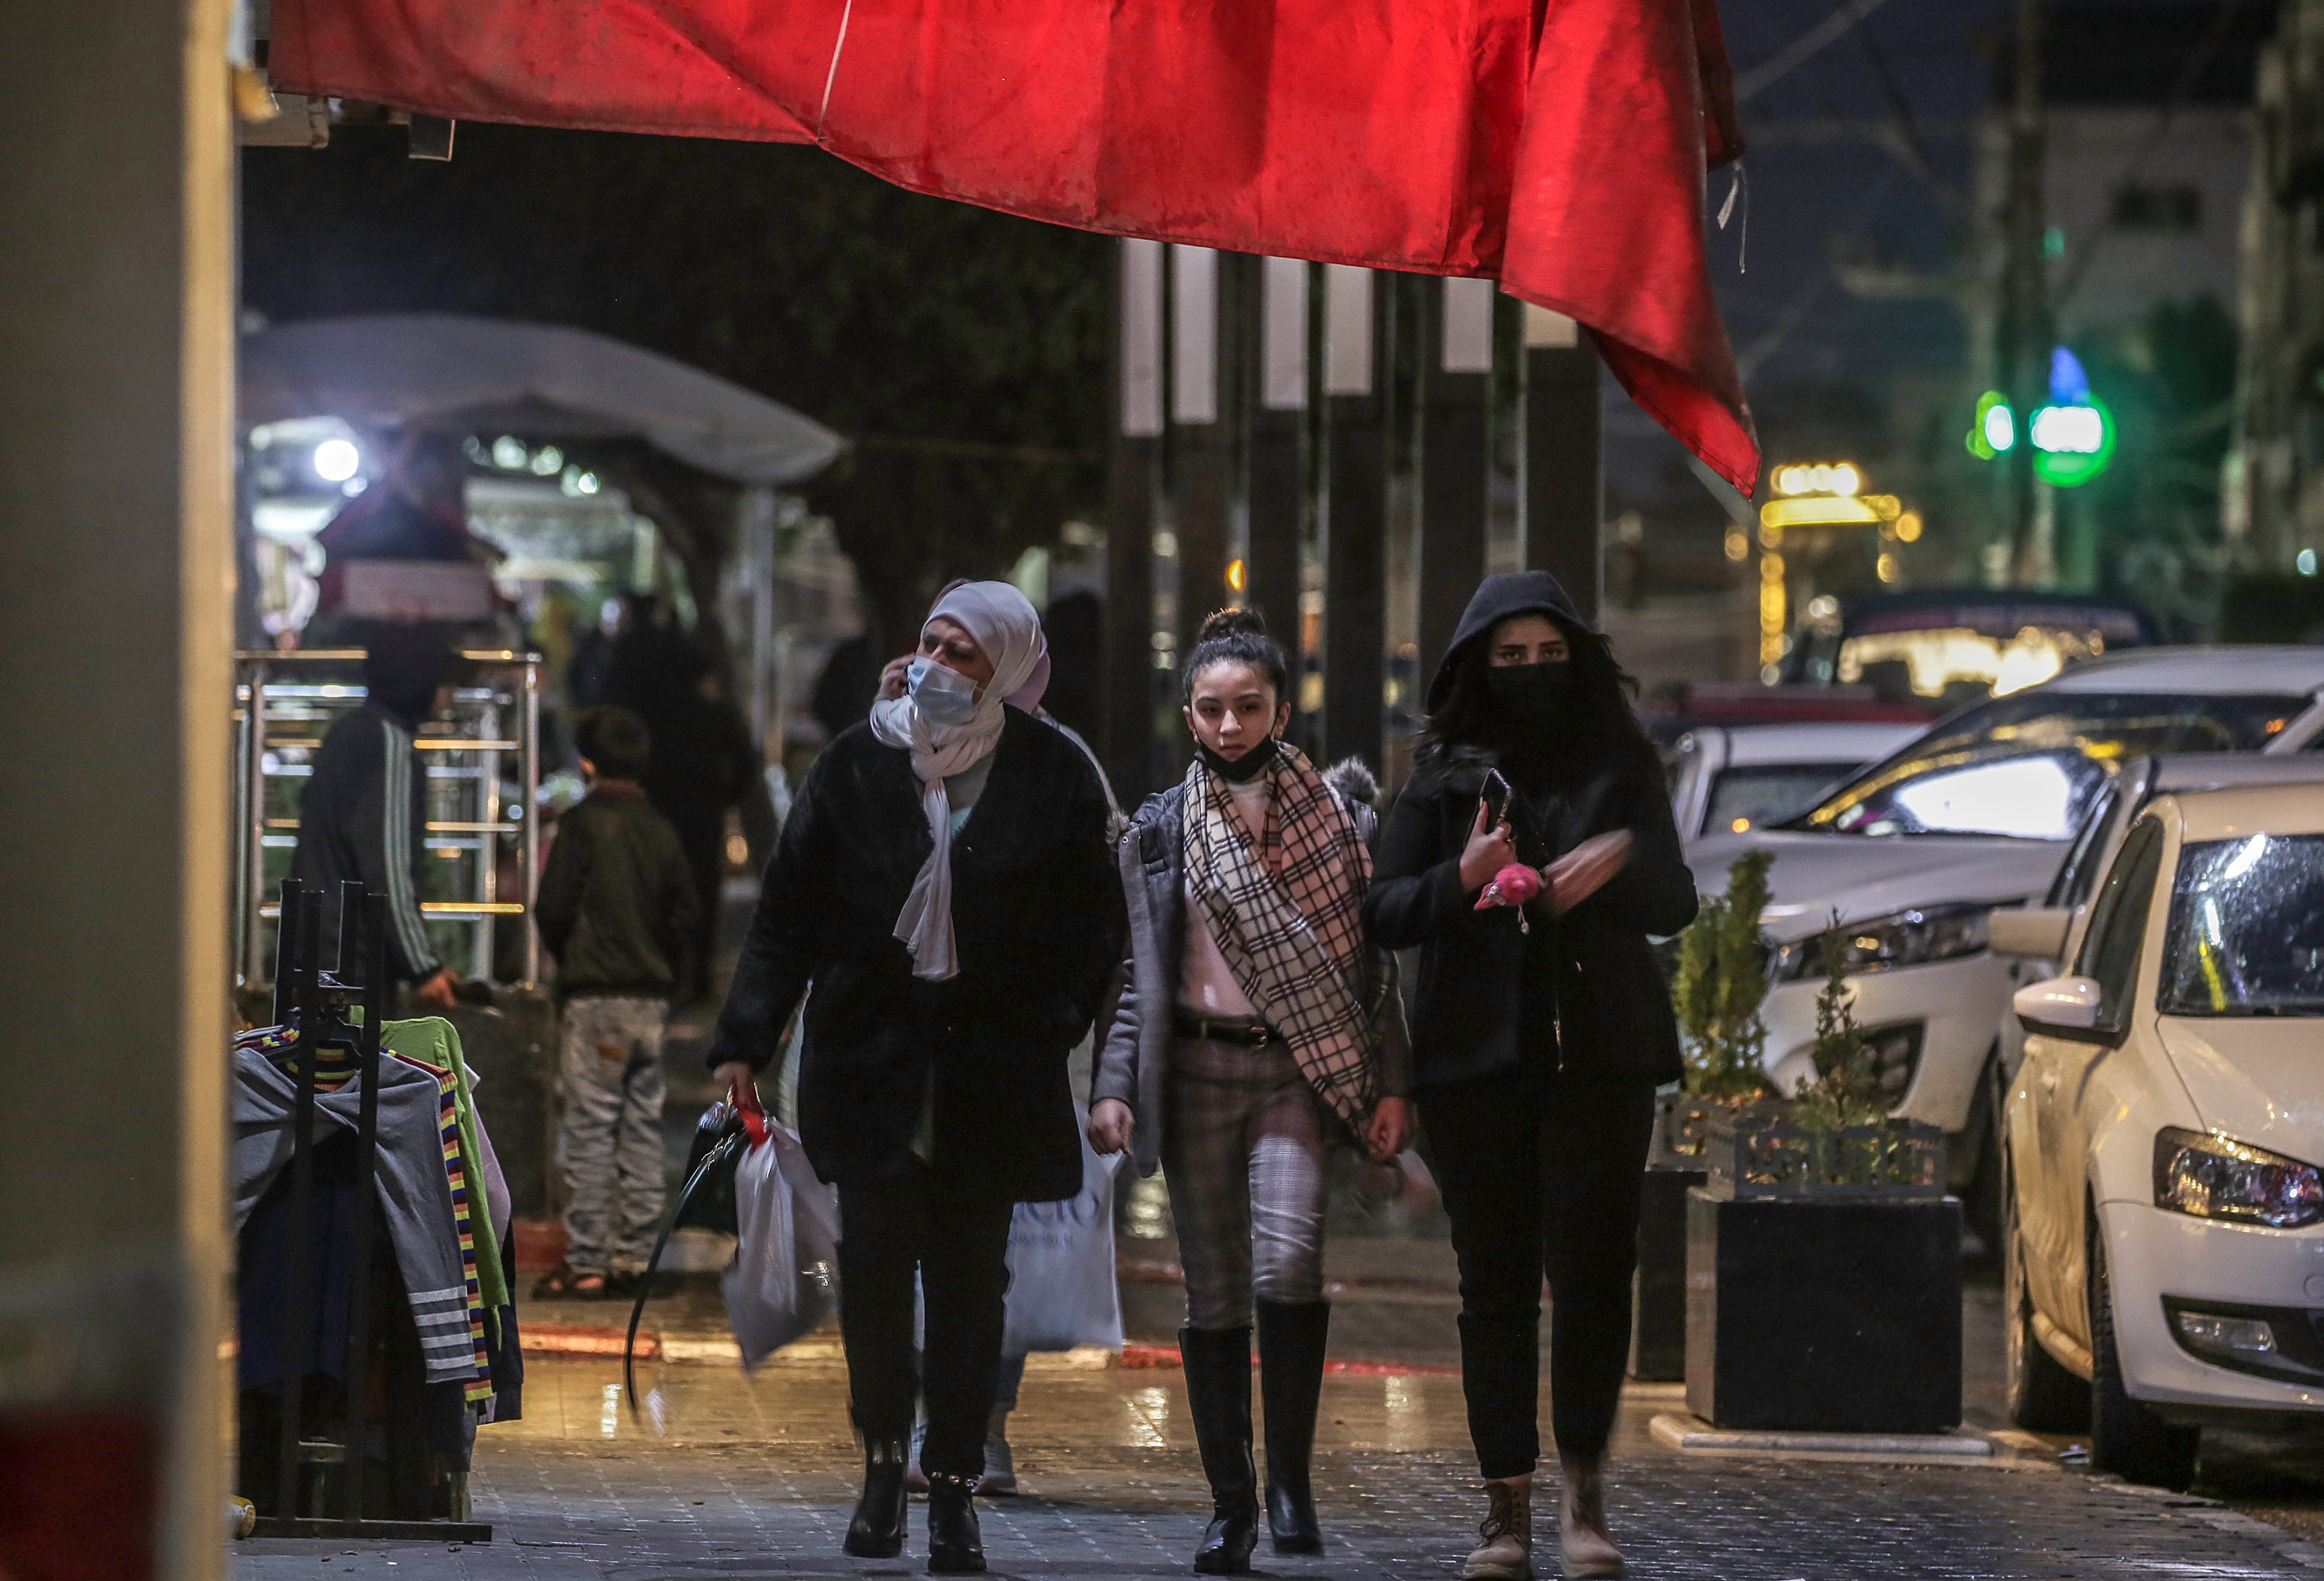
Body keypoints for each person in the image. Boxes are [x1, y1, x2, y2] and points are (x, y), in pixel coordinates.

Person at [706, 581, 1121, 1574]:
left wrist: (1052, 1020)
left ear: (1010, 666)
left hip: (990, 1074)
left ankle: (954, 1486)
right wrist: (744, 1039)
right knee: (879, 1278)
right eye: (929, 640)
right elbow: (788, 912)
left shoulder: (1053, 771)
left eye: (964, 651)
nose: (938, 661)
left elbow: (1092, 924)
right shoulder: (856, 763)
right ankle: (883, 1466)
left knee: (975, 1287)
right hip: (871, 1067)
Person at [1364, 572, 1697, 1581]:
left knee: (1595, 1276)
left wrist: (1611, 868)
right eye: (1507, 658)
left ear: (1577, 658)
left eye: (1545, 653)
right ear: (1474, 668)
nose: (1528, 672)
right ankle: (1502, 1510)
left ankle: (1583, 1498)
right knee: (1493, 1283)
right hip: (1475, 1063)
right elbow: (1381, 911)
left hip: (1601, 1059)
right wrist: (1464, 879)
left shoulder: (1620, 763)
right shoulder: (1436, 778)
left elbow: (1674, 899)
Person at [1090, 608, 1413, 1575]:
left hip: (1295, 1068)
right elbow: (1135, 976)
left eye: (1248, 707)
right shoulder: (1160, 828)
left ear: (1279, 707)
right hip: (1193, 1066)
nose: (1229, 726)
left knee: (1289, 1261)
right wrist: (1113, 1088)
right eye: (1211, 709)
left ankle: (1290, 1485)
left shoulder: (1340, 819)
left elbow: (1375, 969)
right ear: (1187, 716)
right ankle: (1230, 1501)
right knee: (1214, 1282)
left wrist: (1389, 1084)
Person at [530, 705, 700, 1301]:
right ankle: (633, 1257)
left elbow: (550, 906)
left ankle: (588, 1261)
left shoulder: (581, 826)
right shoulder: (660, 828)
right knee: (641, 1129)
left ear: (587, 762)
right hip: (648, 1003)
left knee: (593, 1130)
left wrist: (572, 956)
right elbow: (686, 915)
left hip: (594, 999)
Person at [291, 626, 462, 1010]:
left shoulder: (348, 733)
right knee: (359, 1068)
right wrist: (422, 967)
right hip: (355, 958)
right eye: (446, 683)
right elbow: (387, 867)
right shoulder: (389, 745)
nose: (453, 696)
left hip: (319, 947)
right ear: (419, 682)